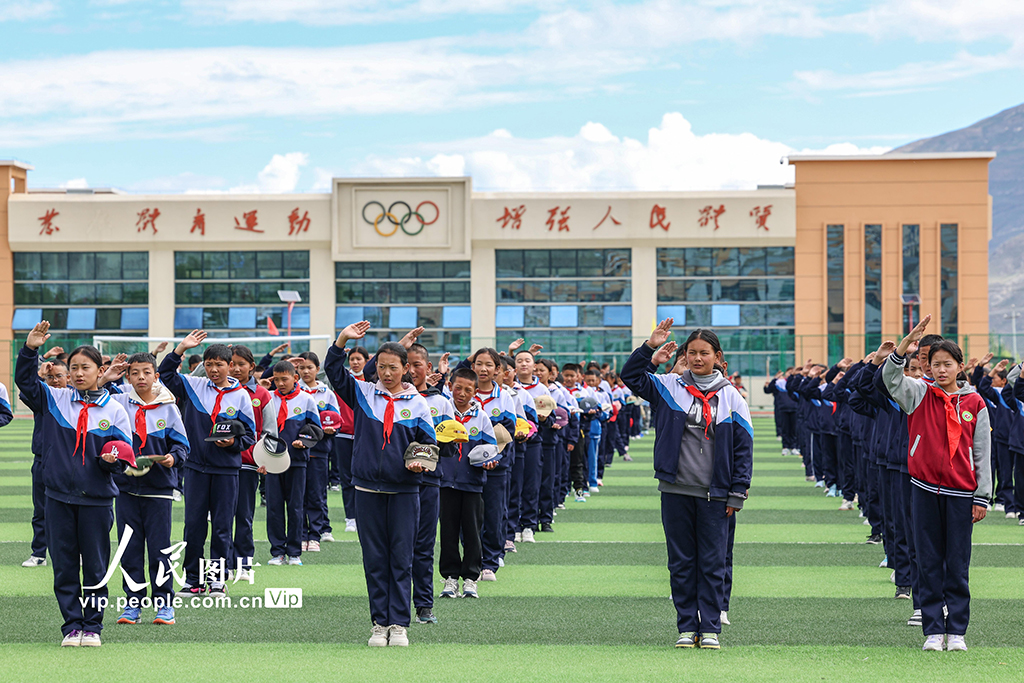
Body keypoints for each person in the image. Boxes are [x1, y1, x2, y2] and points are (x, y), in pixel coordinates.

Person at [621, 319, 753, 650]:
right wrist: (650, 348)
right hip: (676, 490)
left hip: (717, 494)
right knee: (680, 561)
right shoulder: (669, 386)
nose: (697, 358)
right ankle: (685, 626)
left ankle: (709, 627)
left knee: (712, 561)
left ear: (718, 357)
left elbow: (743, 448)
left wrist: (737, 491)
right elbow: (631, 377)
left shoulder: (732, 397)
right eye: (691, 353)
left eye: (704, 353)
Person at [17, 321, 133, 648]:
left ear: (101, 371)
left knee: (95, 568)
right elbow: (24, 381)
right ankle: (72, 627)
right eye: (74, 368)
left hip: (96, 501)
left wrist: (111, 462)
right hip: (58, 499)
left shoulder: (115, 409)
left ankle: (92, 627)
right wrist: (30, 349)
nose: (79, 373)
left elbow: (124, 455)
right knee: (65, 567)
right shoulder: (55, 399)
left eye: (86, 368)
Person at [880, 314, 990, 652]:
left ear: (960, 366)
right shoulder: (918, 394)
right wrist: (904, 346)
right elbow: (889, 378)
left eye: (947, 364)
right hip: (924, 489)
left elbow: (983, 453)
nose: (940, 370)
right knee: (927, 561)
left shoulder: (974, 403)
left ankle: (956, 630)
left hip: (961, 494)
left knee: (957, 563)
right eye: (934, 364)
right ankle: (932, 628)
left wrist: (981, 496)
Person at [324, 322, 436, 647]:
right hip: (366, 490)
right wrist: (344, 339)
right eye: (382, 367)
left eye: (394, 367)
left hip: (404, 491)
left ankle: (399, 624)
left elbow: (428, 447)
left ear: (406, 369)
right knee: (374, 559)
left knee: (401, 557)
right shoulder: (363, 393)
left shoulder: (418, 404)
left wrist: (419, 463)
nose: (387, 373)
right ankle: (379, 623)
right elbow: (333, 369)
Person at [158, 330, 256, 597]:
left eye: (219, 364)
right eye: (209, 364)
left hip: (226, 470)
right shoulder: (194, 385)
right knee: (194, 525)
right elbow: (165, 375)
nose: (213, 369)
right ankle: (193, 580)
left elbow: (250, 436)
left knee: (223, 526)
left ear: (230, 366)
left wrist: (232, 444)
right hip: (196, 467)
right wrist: (180, 349)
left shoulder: (242, 395)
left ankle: (217, 580)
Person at [105, 352, 190, 626]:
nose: (141, 377)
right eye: (135, 373)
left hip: (159, 490)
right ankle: (133, 605)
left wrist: (172, 458)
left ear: (156, 376)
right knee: (129, 549)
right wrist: (108, 377)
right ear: (127, 377)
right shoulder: (117, 402)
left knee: (159, 549)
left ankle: (165, 605)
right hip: (126, 490)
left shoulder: (169, 408)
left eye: (146, 372)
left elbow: (182, 446)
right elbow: (93, 397)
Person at [438, 367, 498, 599]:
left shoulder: (481, 416)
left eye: (468, 390)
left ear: (475, 391)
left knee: (473, 532)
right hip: (445, 484)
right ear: (450, 386)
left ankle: (471, 578)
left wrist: (489, 461)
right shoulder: (444, 412)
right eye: (457, 388)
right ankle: (450, 577)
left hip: (472, 483)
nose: (461, 393)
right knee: (448, 531)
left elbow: (491, 448)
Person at [266, 361, 323, 565]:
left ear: (295, 378)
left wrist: (304, 442)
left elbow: (316, 430)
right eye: (276, 379)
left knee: (296, 506)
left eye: (285, 379)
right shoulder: (268, 398)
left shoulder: (306, 399)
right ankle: (277, 552)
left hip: (297, 461)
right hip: (272, 461)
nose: (280, 383)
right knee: (274, 507)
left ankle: (294, 552)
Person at [228, 345, 276, 580]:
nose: (236, 369)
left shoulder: (263, 395)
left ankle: (244, 564)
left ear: (252, 367)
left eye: (241, 364)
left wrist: (265, 459)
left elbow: (269, 432)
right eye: (232, 363)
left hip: (248, 464)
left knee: (244, 515)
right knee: (222, 517)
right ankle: (223, 564)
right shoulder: (217, 391)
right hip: (221, 464)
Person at [22, 358, 65, 568]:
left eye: (59, 376)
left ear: (69, 378)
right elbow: (26, 390)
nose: (55, 380)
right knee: (41, 509)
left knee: (71, 511)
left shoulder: (75, 400)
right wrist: (38, 375)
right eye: (50, 377)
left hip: (68, 463)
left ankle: (77, 552)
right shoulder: (42, 398)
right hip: (42, 462)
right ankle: (39, 553)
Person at [296, 351, 339, 551]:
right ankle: (301, 535)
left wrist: (330, 430)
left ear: (317, 369)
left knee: (316, 494)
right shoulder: (295, 391)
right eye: (302, 367)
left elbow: (337, 421)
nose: (306, 371)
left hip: (319, 451)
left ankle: (315, 534)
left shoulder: (326, 393)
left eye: (309, 367)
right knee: (298, 495)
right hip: (297, 452)